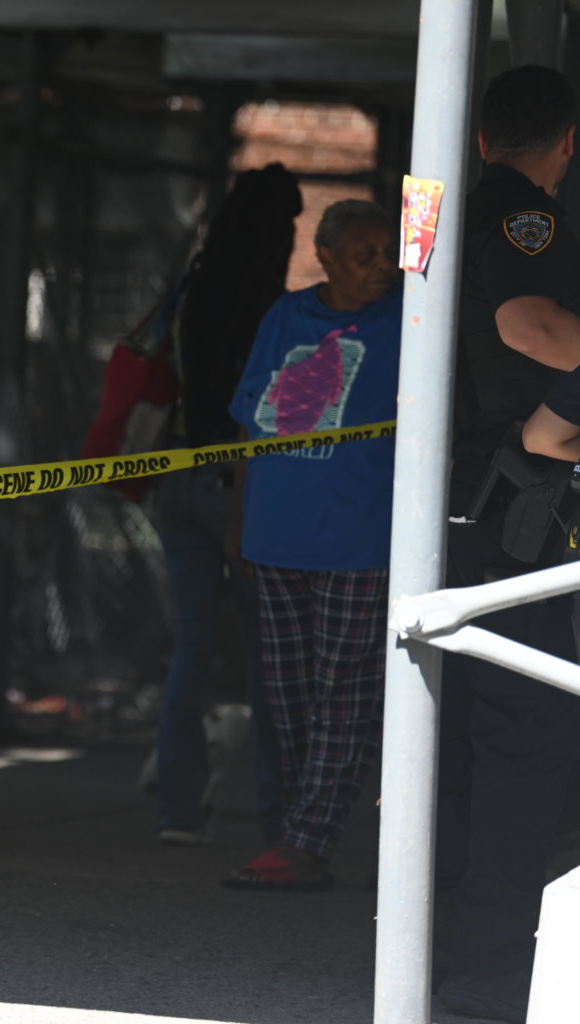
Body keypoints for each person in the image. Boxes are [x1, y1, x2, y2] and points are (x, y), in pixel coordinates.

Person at [435, 64, 580, 1024]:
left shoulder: (463, 215)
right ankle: (488, 976)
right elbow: (533, 328)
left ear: (485, 137)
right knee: (523, 740)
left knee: (477, 738)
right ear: (566, 144)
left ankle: (459, 954)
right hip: (517, 519)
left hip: (480, 511)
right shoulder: (523, 217)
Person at [221, 199, 401, 892]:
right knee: (290, 697)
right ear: (324, 258)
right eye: (364, 255)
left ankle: (306, 843)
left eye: (388, 252)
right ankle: (304, 828)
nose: (382, 267)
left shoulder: (409, 319)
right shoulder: (285, 316)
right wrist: (239, 522)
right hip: (276, 535)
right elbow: (249, 425)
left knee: (343, 694)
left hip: (360, 540)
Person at [146, 164, 299, 846]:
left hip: (174, 475)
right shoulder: (268, 309)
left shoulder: (191, 288)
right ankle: (279, 819)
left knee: (192, 646)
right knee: (270, 655)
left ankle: (177, 811)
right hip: (234, 485)